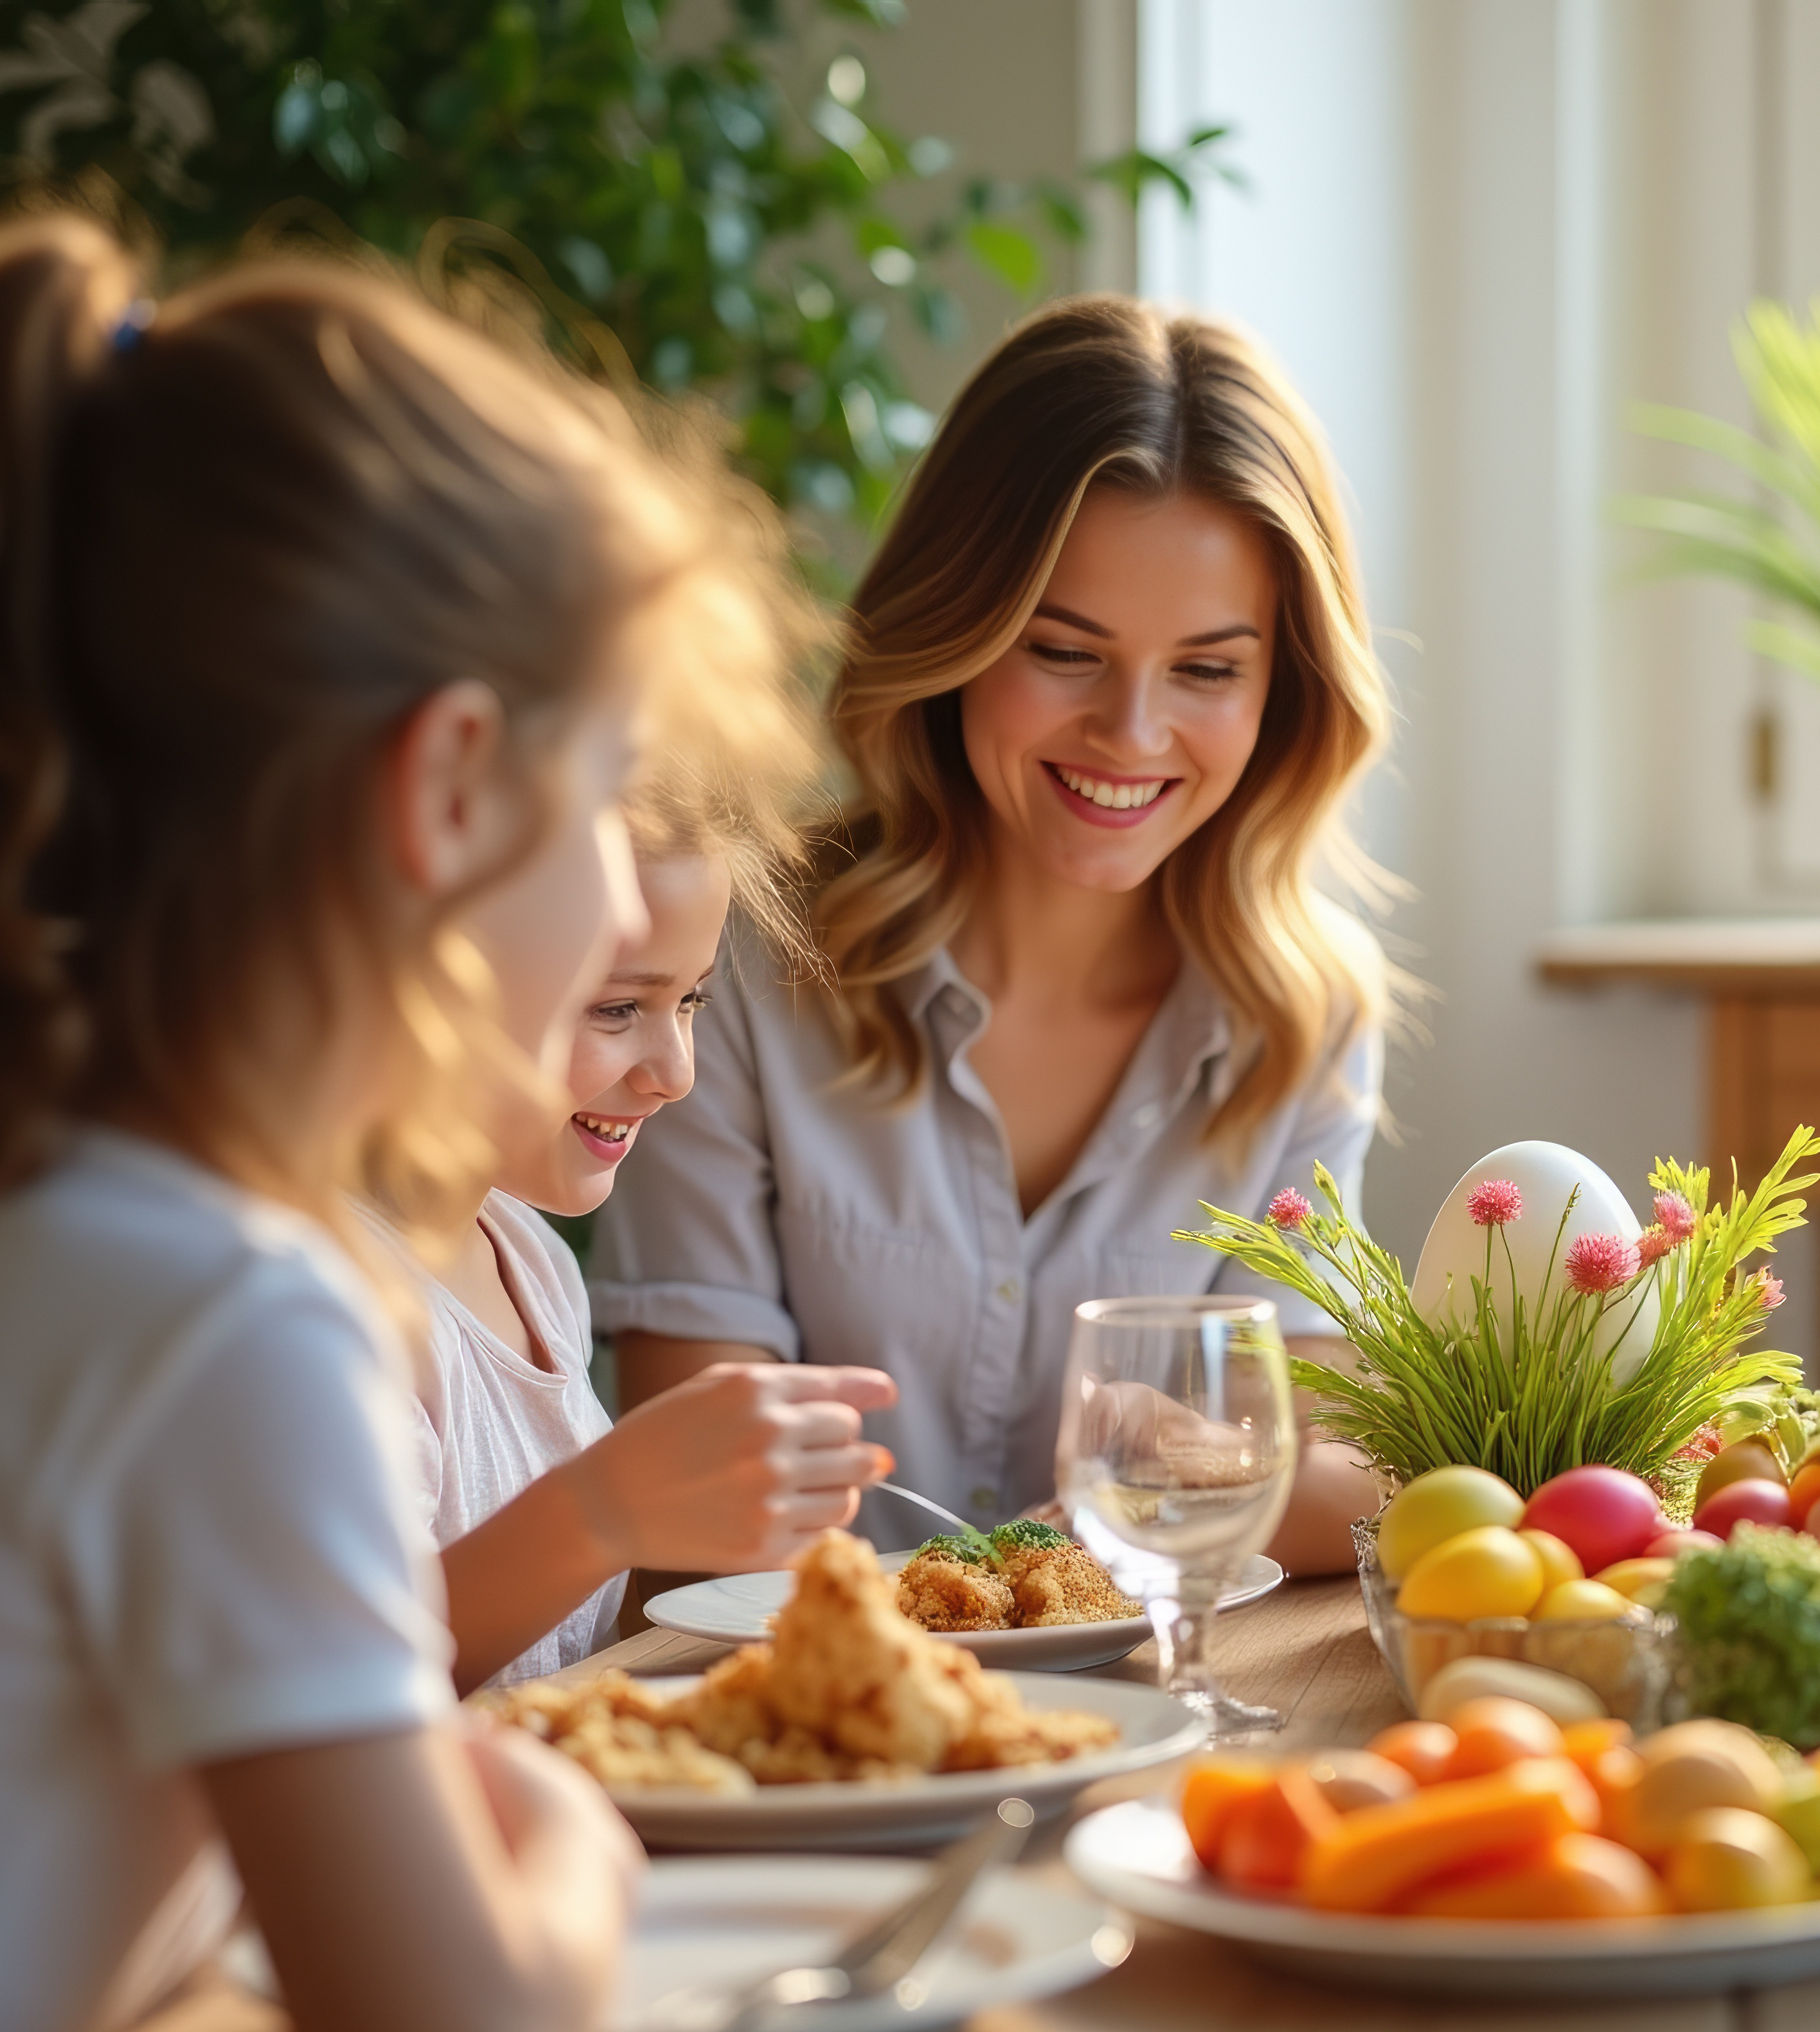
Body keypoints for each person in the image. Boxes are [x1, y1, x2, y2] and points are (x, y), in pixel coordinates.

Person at [0, 214, 799, 2032]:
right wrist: (575, 1844)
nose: (623, 890)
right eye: (604, 793)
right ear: (447, 786)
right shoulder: (223, 1310)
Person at [594, 296, 1397, 1571]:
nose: (1131, 736)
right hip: (808, 1707)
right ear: (954, 633)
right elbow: (696, 1488)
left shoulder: (1304, 1021)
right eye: (1062, 650)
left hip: (1145, 1703)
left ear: (1281, 690)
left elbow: (1333, 1488)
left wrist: (1198, 1456)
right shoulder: (742, 959)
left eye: (1206, 670)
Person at [400, 776, 900, 1691]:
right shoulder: (340, 1302)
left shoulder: (532, 1262)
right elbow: (342, 1679)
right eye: (617, 1008)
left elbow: (564, 1661)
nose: (676, 1073)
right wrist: (605, 1509)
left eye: (693, 1003)